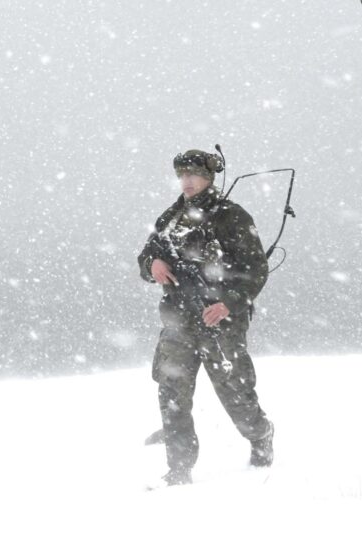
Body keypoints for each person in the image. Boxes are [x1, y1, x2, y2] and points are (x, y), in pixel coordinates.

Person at [137, 149, 274, 486]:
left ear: (209, 177)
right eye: (182, 175)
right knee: (172, 393)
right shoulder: (171, 217)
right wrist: (152, 264)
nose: (187, 181)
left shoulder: (232, 216)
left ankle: (260, 435)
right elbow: (148, 255)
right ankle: (179, 468)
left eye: (193, 175)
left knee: (235, 394)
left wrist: (228, 303)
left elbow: (255, 269)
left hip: (219, 322)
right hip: (177, 321)